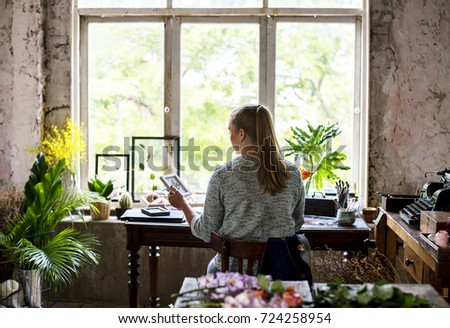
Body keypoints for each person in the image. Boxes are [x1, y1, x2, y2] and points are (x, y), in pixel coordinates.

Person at [167, 104, 305, 273]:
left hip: (234, 277)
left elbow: (205, 231)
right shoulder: (292, 173)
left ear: (241, 134)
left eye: (230, 131)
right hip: (281, 274)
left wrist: (182, 205)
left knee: (212, 269)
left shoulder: (223, 175)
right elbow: (297, 223)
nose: (229, 136)